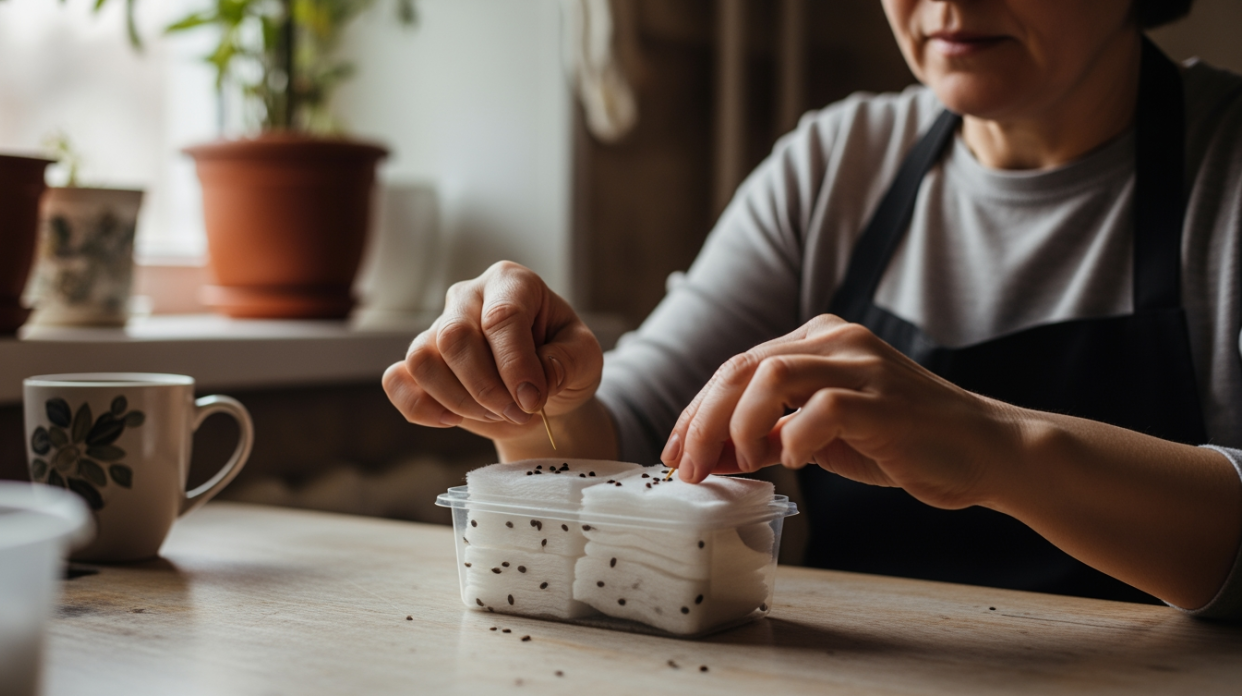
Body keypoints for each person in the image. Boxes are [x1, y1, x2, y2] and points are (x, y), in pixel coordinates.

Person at [383, 0, 1242, 619]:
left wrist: (1001, 448)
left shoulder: (1226, 170)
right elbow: (627, 439)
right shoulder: (834, 165)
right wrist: (536, 389)